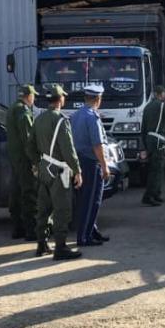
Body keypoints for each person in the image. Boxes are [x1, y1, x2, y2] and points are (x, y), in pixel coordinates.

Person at [27, 84, 83, 260]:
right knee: (61, 210)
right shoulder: (61, 120)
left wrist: (37, 163)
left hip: (44, 168)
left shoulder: (39, 119)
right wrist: (77, 170)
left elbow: (30, 147)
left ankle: (41, 244)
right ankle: (60, 247)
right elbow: (68, 149)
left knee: (43, 208)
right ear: (60, 99)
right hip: (59, 171)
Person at [71, 85, 111, 246]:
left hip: (79, 161)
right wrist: (105, 166)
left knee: (83, 200)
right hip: (91, 162)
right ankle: (84, 237)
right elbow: (97, 145)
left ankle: (92, 231)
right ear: (98, 99)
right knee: (92, 200)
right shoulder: (92, 117)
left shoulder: (76, 115)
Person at [6, 84, 39, 241]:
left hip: (15, 157)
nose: (34, 99)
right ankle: (31, 230)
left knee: (16, 192)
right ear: (28, 96)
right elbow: (27, 138)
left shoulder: (13, 107)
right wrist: (35, 160)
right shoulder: (22, 111)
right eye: (33, 96)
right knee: (29, 193)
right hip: (24, 159)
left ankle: (17, 228)